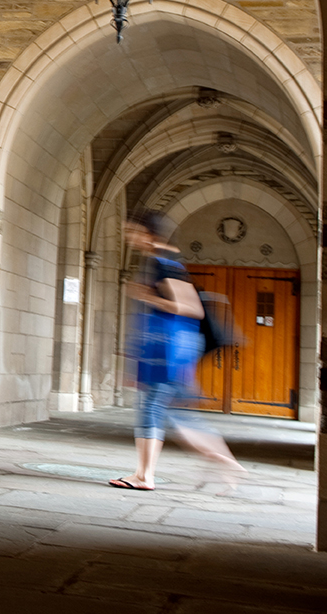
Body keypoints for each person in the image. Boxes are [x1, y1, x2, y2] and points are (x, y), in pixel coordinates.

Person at [110, 210, 245, 491]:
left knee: (152, 408)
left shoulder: (163, 264)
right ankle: (218, 456)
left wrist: (149, 297)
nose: (129, 237)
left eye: (132, 231)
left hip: (167, 353)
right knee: (173, 413)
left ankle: (145, 475)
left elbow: (190, 308)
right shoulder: (163, 262)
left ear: (148, 234)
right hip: (167, 352)